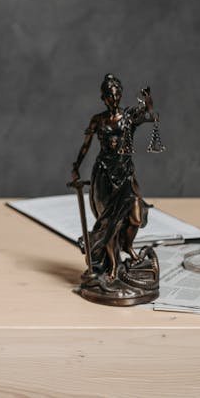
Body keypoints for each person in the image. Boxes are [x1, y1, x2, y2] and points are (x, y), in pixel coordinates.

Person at [68, 74, 158, 297]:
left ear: (121, 95)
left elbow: (148, 114)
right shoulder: (97, 120)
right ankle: (114, 265)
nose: (114, 98)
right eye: (109, 95)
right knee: (110, 224)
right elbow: (86, 145)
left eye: (117, 94)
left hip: (126, 175)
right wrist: (76, 166)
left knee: (135, 218)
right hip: (105, 175)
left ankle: (127, 247)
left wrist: (148, 101)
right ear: (103, 97)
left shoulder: (128, 117)